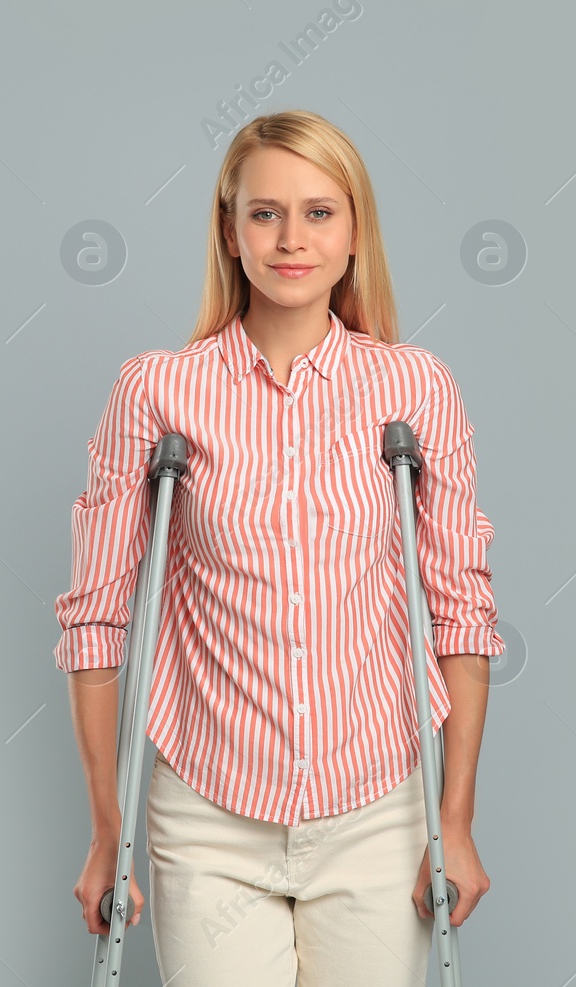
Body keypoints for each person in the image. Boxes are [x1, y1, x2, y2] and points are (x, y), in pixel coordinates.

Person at [55, 109, 502, 985]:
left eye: (318, 212)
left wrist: (455, 819)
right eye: (265, 213)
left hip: (377, 805)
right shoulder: (158, 392)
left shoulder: (414, 387)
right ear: (230, 231)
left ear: (354, 232)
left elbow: (462, 613)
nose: (291, 238)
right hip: (208, 811)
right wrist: (109, 828)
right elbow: (96, 620)